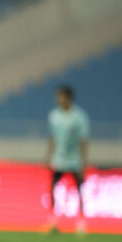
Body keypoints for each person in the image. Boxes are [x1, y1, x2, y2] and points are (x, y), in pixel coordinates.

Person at [44, 85, 90, 229]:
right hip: (59, 158)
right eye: (58, 96)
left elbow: (83, 140)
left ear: (69, 97)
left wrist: (84, 160)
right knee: (52, 187)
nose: (58, 99)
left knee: (79, 189)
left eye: (61, 96)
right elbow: (52, 137)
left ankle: (81, 221)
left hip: (75, 159)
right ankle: (53, 220)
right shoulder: (54, 116)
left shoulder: (79, 117)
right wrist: (48, 155)